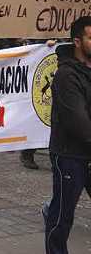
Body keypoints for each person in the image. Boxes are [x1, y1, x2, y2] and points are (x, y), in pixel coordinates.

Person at [44, 16, 91, 254]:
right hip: (69, 155)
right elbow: (79, 122)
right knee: (62, 217)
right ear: (77, 42)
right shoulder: (66, 75)